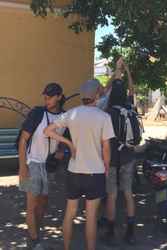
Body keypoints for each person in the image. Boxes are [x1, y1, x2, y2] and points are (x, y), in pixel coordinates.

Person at [44, 79, 115, 250]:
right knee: (90, 217)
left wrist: (68, 143)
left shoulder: (71, 114)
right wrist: (106, 167)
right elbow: (106, 148)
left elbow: (47, 131)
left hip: (74, 171)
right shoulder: (104, 117)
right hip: (95, 172)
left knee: (69, 214)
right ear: (96, 95)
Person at [18, 83, 66, 250]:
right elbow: (23, 140)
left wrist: (61, 151)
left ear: (59, 96)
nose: (46, 99)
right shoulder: (37, 113)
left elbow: (63, 142)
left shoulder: (64, 117)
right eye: (45, 96)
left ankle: (34, 232)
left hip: (48, 167)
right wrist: (22, 167)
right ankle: (34, 240)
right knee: (31, 205)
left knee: (43, 204)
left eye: (50, 96)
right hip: (31, 164)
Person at [102, 58, 137, 245]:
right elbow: (132, 89)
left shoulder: (106, 110)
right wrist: (127, 70)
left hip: (111, 159)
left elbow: (105, 90)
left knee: (112, 195)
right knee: (128, 193)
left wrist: (116, 70)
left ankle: (110, 231)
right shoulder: (129, 106)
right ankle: (130, 231)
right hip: (128, 157)